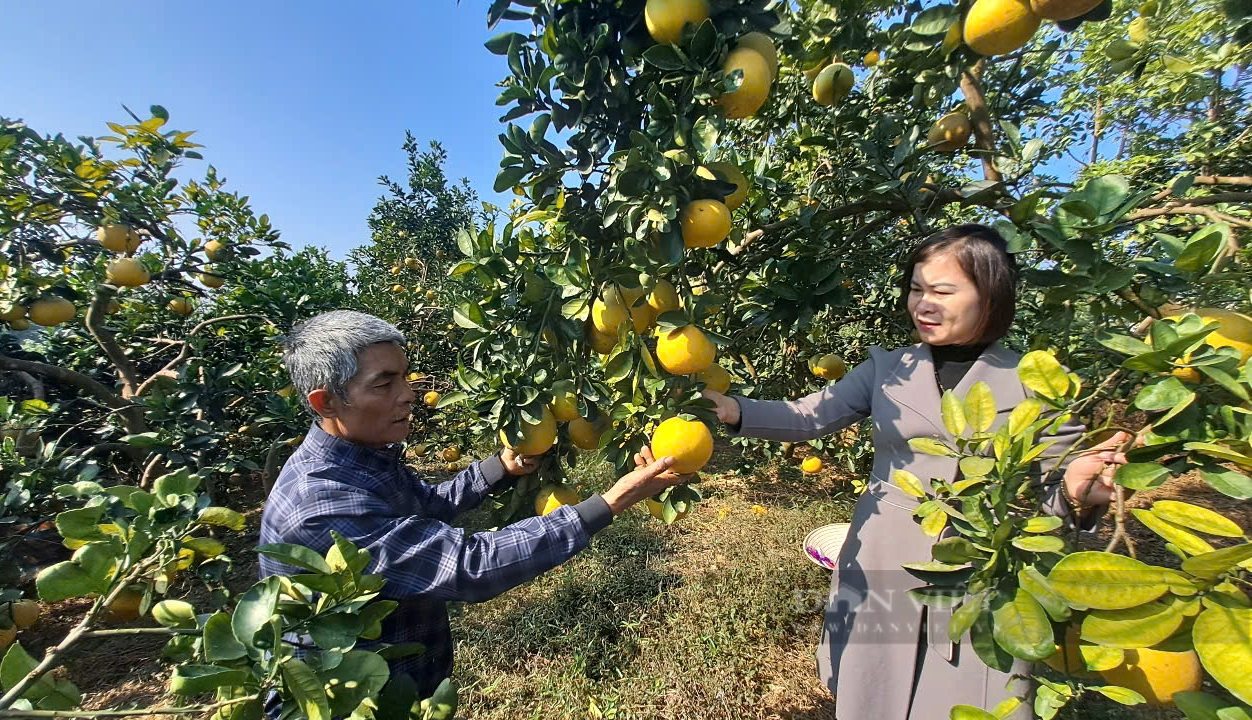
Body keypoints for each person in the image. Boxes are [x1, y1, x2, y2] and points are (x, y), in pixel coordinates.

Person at [698, 225, 1129, 719]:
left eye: (943, 291)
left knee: (970, 693)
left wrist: (1079, 490)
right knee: (873, 684)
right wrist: (732, 409)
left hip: (982, 567)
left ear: (991, 296)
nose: (923, 304)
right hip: (887, 551)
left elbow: (1052, 491)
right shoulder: (889, 368)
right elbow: (810, 415)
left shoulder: (1037, 380)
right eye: (917, 289)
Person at [259, 310, 686, 697]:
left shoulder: (363, 458)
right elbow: (470, 566)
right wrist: (612, 501)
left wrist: (498, 468)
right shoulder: (322, 500)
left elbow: (424, 507)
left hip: (407, 682)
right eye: (384, 383)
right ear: (326, 401)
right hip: (355, 701)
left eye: (405, 377)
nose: (408, 394)